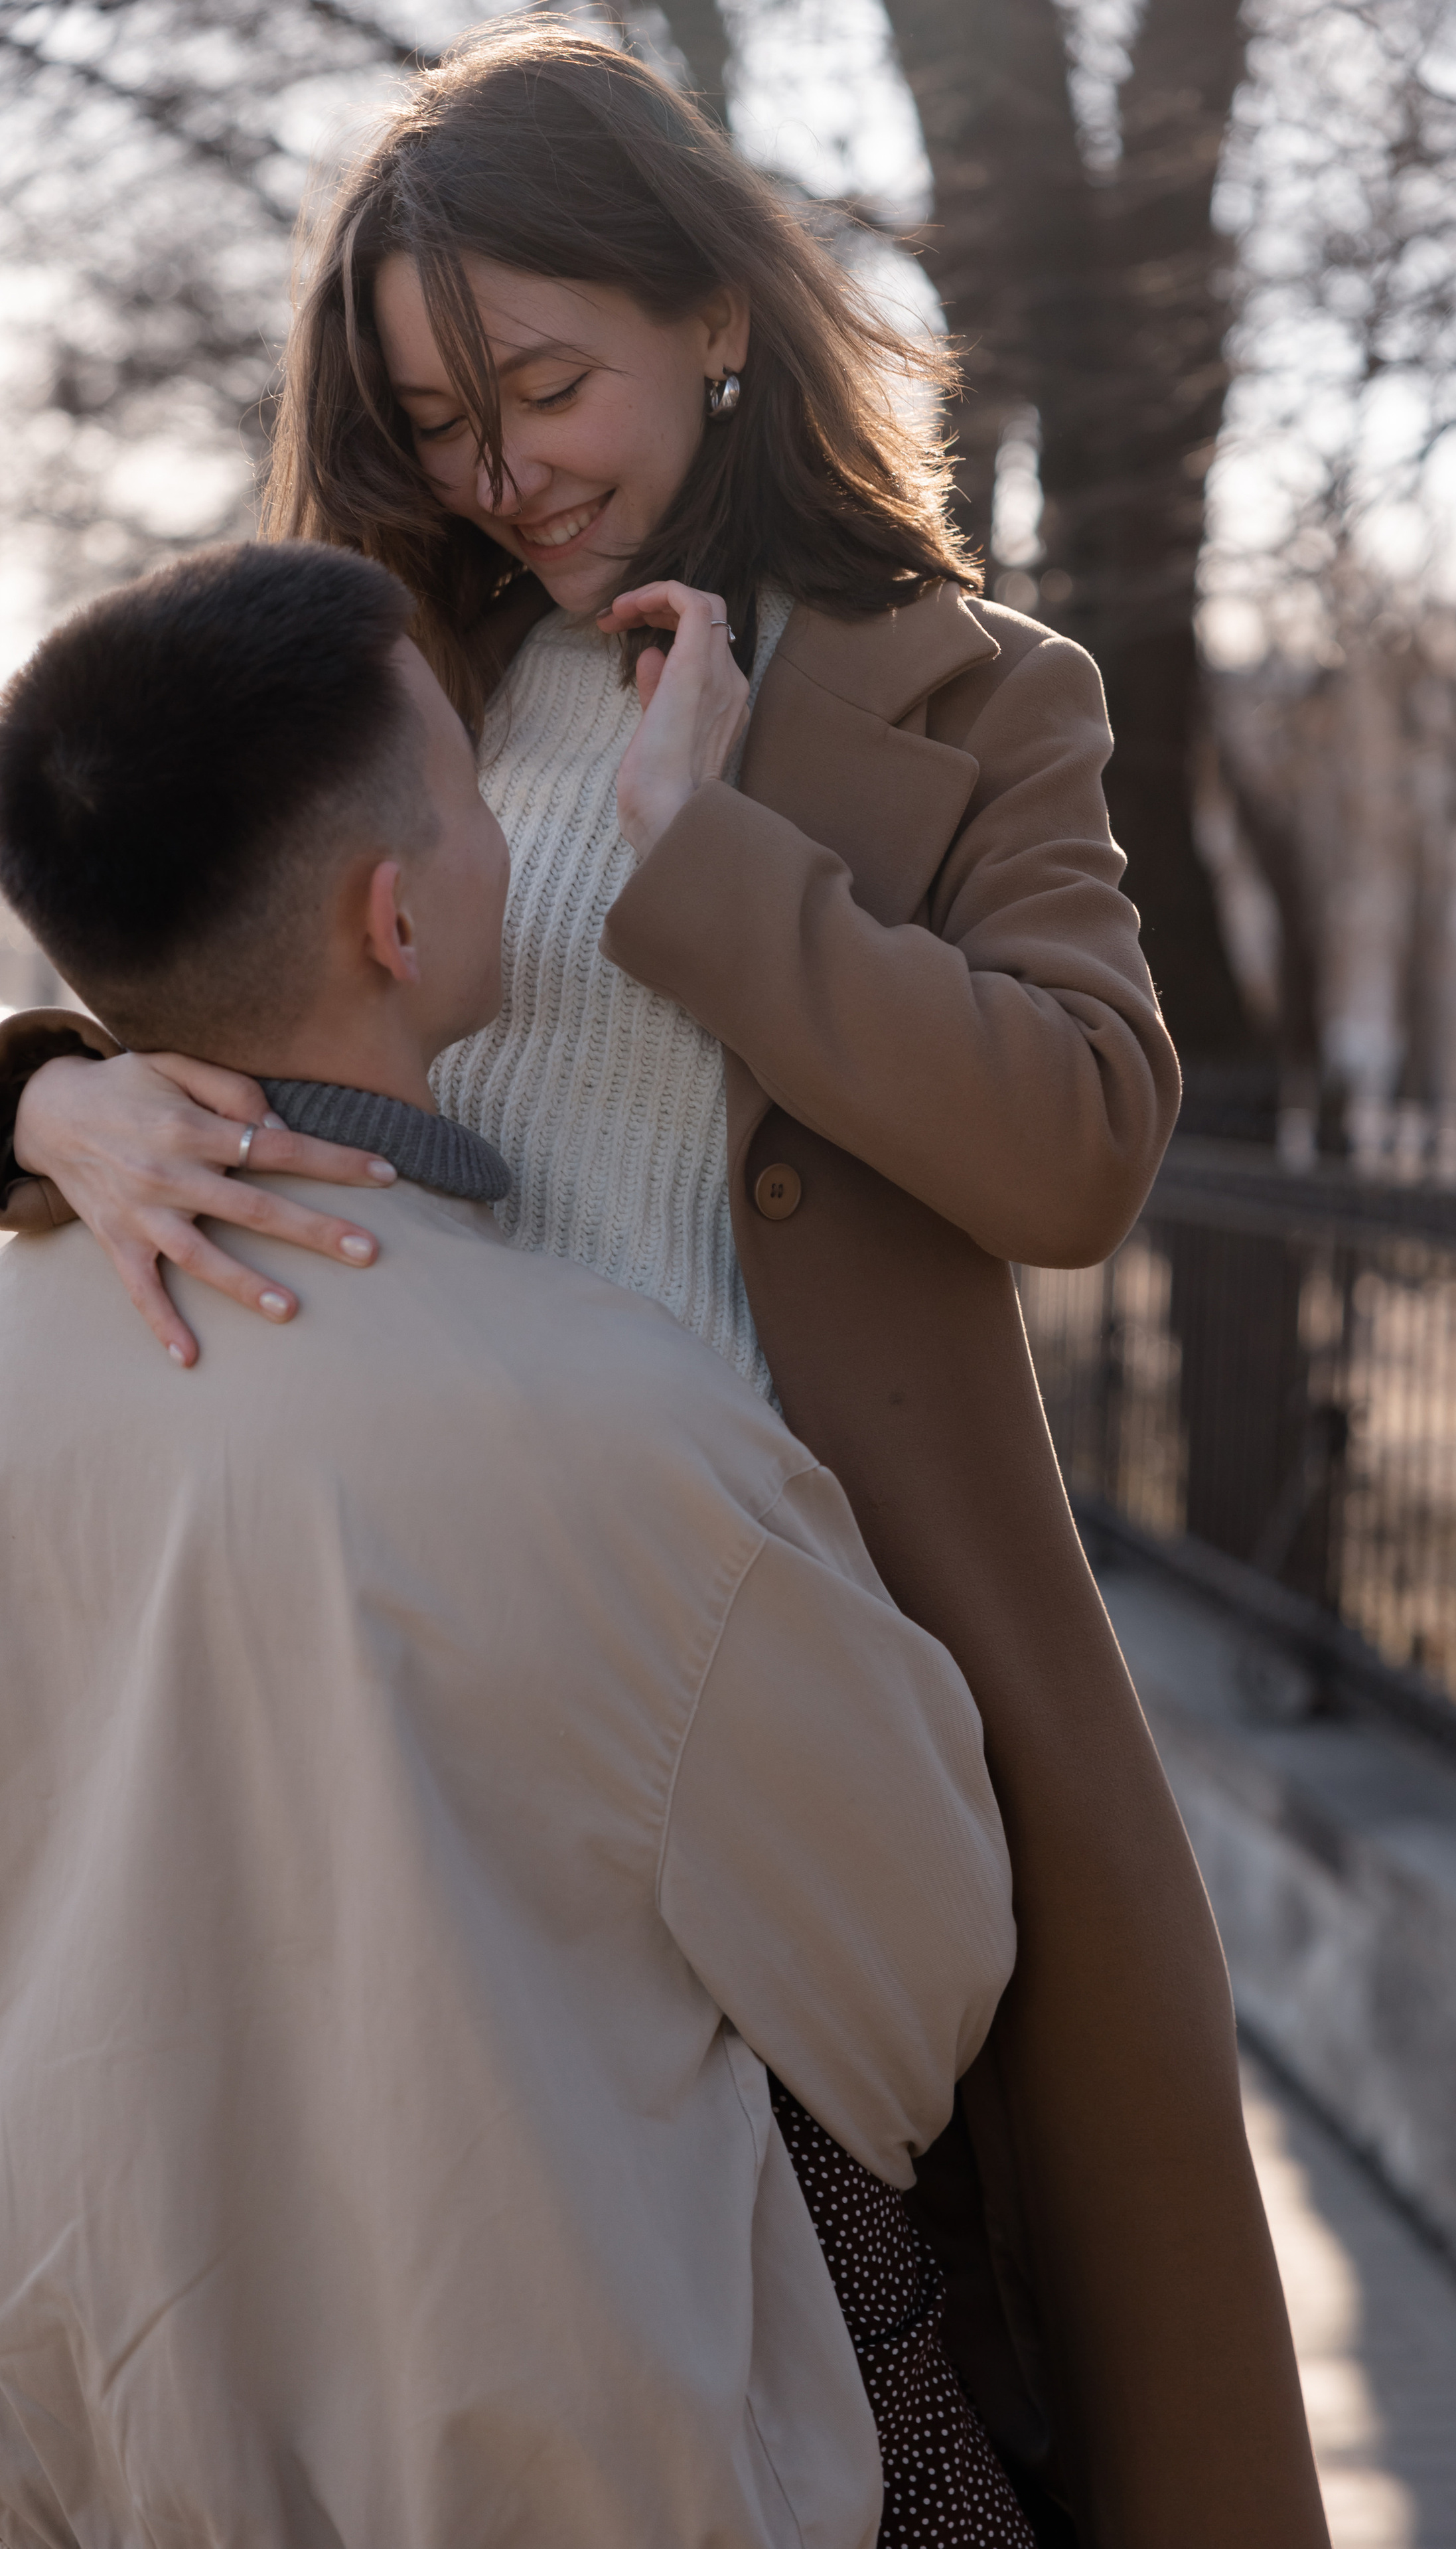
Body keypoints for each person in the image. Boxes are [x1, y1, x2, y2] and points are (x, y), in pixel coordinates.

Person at [0, 27, 1329, 2546]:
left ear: (717, 315)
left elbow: (1080, 1141)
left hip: (818, 1698)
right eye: (435, 416)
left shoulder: (973, 688)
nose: (500, 467)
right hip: (441, 1689)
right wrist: (47, 1096)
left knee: (910, 2393)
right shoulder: (373, 661)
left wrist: (704, 854)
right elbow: (137, 888)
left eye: (544, 385)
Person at [0, 538, 1021, 2548]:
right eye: (473, 794)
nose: (500, 840)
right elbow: (917, 1996)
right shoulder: (629, 1430)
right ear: (398, 917)